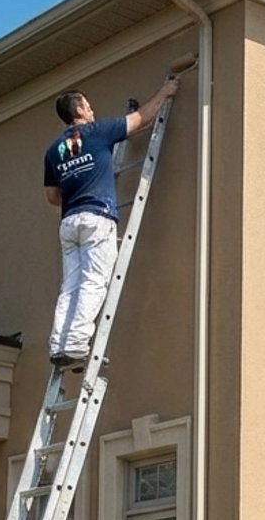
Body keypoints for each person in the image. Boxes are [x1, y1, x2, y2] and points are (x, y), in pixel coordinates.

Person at [43, 76, 179, 368]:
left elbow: (53, 197)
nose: (92, 111)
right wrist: (165, 91)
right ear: (78, 111)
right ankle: (77, 346)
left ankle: (60, 346)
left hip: (69, 223)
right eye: (88, 107)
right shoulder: (97, 131)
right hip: (97, 216)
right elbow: (141, 118)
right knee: (94, 282)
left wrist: (75, 181)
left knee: (71, 286)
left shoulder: (54, 150)